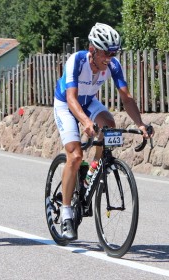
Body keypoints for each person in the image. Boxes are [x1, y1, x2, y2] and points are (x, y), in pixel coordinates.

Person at [53, 23, 154, 240]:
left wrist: (140, 124)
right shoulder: (77, 61)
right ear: (93, 50)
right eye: (106, 53)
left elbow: (126, 98)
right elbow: (71, 98)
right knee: (75, 155)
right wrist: (86, 123)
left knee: (109, 123)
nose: (110, 57)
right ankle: (66, 213)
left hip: (89, 101)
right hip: (65, 104)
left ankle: (91, 173)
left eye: (114, 53)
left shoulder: (113, 66)